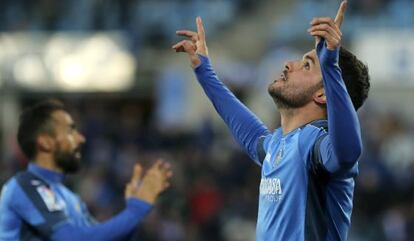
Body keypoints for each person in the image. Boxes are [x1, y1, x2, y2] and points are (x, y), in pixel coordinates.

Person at [173, 1, 370, 240]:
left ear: (323, 93)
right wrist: (205, 71)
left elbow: (348, 153)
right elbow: (250, 133)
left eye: (306, 65)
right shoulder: (279, 144)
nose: (288, 64)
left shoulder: (317, 145)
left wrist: (330, 66)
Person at [0, 99, 173, 241]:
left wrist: (136, 209)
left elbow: (103, 238)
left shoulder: (69, 197)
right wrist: (136, 210)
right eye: (70, 131)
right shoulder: (24, 186)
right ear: (45, 142)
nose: (81, 138)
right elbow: (71, 238)